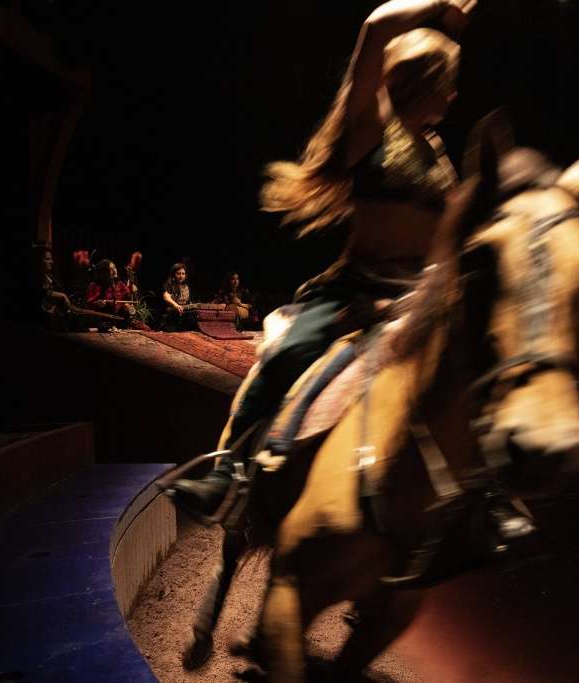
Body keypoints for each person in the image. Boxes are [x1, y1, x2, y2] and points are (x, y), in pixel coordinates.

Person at [170, 0, 476, 518]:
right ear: (423, 80)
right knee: (288, 353)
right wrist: (440, 6)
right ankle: (228, 473)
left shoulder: (440, 154)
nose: (453, 91)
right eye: (447, 78)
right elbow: (375, 27)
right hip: (357, 291)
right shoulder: (373, 130)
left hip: (419, 298)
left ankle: (485, 492)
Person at [85, 259, 144, 330]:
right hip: (101, 319)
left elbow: (128, 300)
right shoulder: (94, 285)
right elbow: (88, 303)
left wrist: (127, 306)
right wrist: (97, 303)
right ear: (103, 272)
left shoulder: (120, 284)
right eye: (111, 269)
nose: (115, 270)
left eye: (115, 268)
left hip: (119, 319)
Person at [161, 262, 198, 331]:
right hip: (172, 315)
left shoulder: (187, 286)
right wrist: (176, 305)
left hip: (184, 316)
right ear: (173, 274)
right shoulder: (169, 284)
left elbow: (189, 302)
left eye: (183, 274)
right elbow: (166, 297)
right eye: (178, 273)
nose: (181, 276)